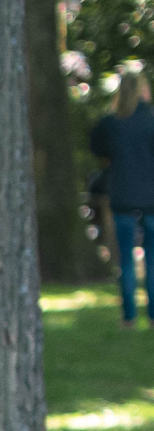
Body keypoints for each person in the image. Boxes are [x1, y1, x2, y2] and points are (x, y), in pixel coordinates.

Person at [91, 72, 154, 326]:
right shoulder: (150, 121)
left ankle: (128, 316)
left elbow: (97, 149)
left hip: (122, 198)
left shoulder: (110, 123)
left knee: (125, 260)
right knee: (152, 259)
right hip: (151, 199)